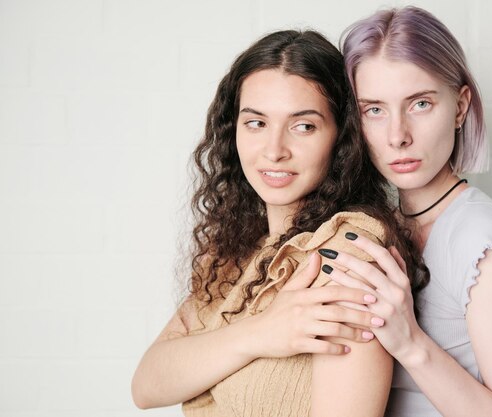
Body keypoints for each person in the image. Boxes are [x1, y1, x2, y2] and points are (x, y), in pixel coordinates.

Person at [131, 29, 428, 417]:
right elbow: (147, 385)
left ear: (342, 138)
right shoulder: (236, 251)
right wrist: (260, 333)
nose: (274, 151)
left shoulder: (350, 254)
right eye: (256, 123)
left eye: (303, 126)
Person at [317, 6, 492, 416]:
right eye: (374, 109)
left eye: (420, 103)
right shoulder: (381, 225)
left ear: (460, 107)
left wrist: (411, 343)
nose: (397, 136)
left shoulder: (482, 241)